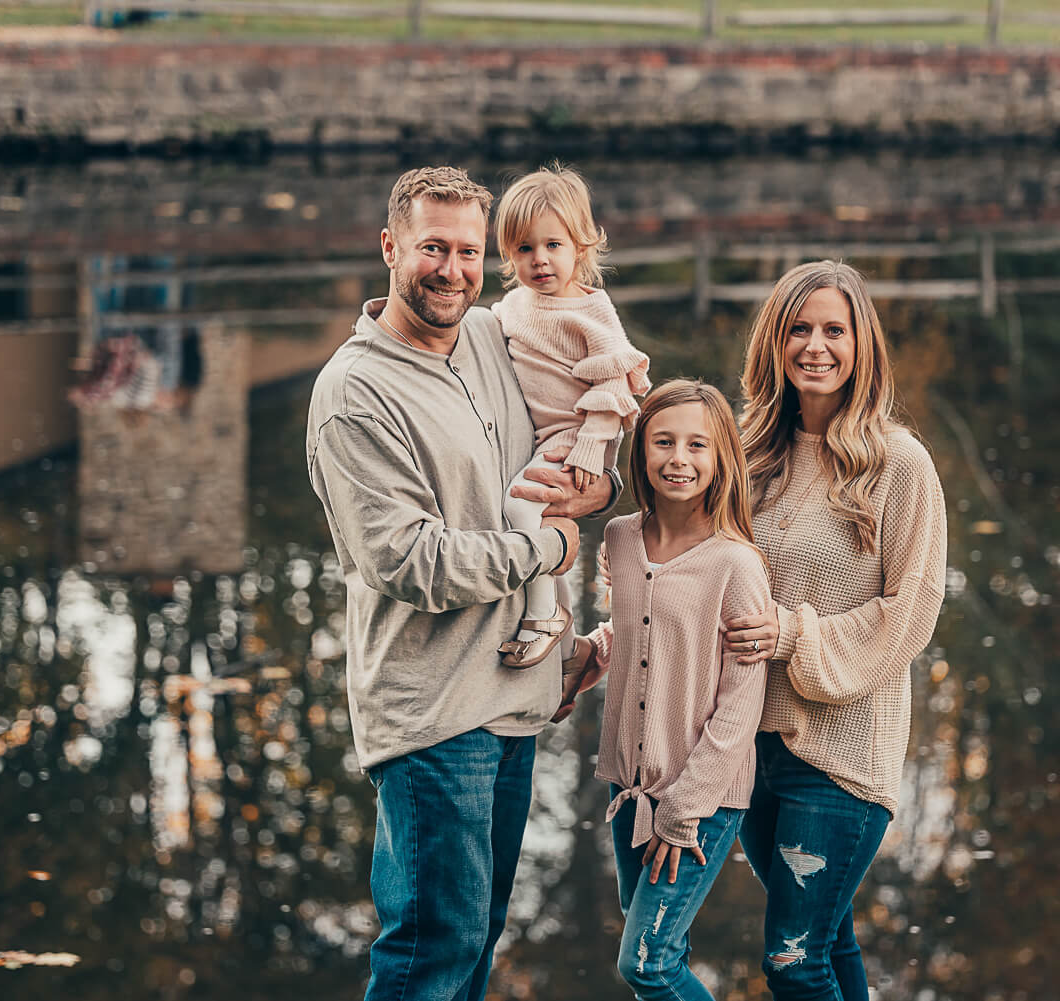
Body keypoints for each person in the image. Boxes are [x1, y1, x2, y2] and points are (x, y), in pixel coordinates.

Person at [304, 166, 619, 1001]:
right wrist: (547, 551)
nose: (451, 270)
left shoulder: (491, 335)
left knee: (474, 940)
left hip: (512, 695)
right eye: (432, 248)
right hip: (433, 716)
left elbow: (567, 436)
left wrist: (602, 483)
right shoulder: (354, 393)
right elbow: (410, 561)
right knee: (429, 950)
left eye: (469, 252)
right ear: (390, 248)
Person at [721, 260, 948, 1000]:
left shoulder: (898, 464)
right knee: (827, 940)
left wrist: (792, 633)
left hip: (841, 753)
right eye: (799, 328)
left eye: (834, 329)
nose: (816, 345)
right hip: (748, 746)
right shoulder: (746, 453)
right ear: (775, 342)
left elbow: (908, 611)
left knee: (792, 961)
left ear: (862, 345)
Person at [564, 379, 772, 1001]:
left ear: (720, 460)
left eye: (696, 446)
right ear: (642, 451)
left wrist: (686, 810)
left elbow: (742, 698)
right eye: (664, 442)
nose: (679, 459)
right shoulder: (622, 538)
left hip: (698, 797)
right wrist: (592, 654)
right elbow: (635, 629)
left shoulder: (736, 564)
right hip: (629, 786)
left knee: (648, 965)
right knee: (651, 947)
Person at [490, 164, 650, 668]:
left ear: (580, 248)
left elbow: (614, 382)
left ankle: (544, 614)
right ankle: (565, 639)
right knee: (539, 514)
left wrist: (590, 448)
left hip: (578, 430)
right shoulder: (514, 304)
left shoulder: (591, 311)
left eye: (553, 246)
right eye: (525, 249)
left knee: (521, 507)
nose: (540, 260)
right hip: (547, 434)